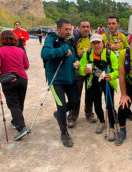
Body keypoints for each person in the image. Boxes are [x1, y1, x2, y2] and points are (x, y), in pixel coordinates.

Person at [41, 18, 80, 147]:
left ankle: (58, 114)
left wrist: (76, 62)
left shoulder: (70, 41)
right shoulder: (51, 39)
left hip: (70, 79)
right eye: (66, 29)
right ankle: (64, 133)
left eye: (70, 29)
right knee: (62, 106)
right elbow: (45, 53)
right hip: (56, 80)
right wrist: (63, 50)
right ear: (58, 29)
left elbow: (73, 56)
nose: (69, 32)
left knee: (75, 102)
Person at [79, 34, 119, 141]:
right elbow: (81, 68)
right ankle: (101, 122)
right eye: (94, 43)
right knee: (96, 104)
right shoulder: (88, 54)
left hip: (107, 81)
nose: (96, 45)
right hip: (94, 81)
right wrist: (84, 70)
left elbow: (117, 70)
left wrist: (111, 76)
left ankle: (111, 128)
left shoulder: (110, 55)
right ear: (91, 44)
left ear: (103, 43)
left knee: (109, 105)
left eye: (98, 43)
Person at [0, 31, 30, 141]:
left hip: (9, 80)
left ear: (1, 39)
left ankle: (21, 128)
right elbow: (27, 65)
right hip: (23, 79)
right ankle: (16, 121)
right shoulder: (21, 50)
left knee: (13, 104)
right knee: (19, 102)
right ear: (14, 39)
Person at [67, 19, 96, 128]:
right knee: (75, 95)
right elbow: (70, 55)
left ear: (90, 27)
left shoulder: (93, 38)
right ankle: (72, 117)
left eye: (87, 27)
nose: (86, 29)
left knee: (90, 94)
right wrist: (78, 55)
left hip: (90, 69)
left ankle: (89, 114)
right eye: (83, 27)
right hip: (78, 70)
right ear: (78, 28)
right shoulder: (73, 40)